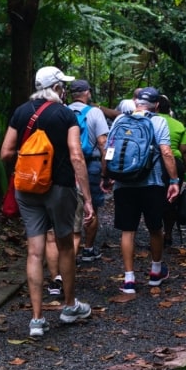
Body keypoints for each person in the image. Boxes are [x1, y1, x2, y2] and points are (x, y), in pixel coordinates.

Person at [0, 66, 94, 337]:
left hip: (27, 188)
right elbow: (76, 155)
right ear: (56, 88)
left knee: (34, 250)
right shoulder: (65, 114)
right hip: (59, 188)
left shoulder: (21, 112)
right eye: (62, 86)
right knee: (65, 245)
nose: (63, 91)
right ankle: (69, 307)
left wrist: (31, 158)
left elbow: (6, 153)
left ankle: (37, 320)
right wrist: (87, 199)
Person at [100, 87, 180, 294]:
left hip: (123, 184)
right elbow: (166, 152)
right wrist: (174, 180)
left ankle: (129, 279)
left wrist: (106, 176)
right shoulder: (158, 121)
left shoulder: (119, 121)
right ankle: (155, 272)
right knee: (155, 227)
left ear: (136, 102)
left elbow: (108, 150)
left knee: (128, 231)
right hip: (151, 184)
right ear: (157, 105)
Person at [67, 80, 110, 262]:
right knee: (91, 208)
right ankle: (88, 249)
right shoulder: (95, 113)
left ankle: (68, 250)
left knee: (69, 208)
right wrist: (106, 172)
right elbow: (103, 144)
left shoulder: (64, 110)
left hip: (68, 164)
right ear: (87, 93)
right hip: (91, 165)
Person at [157, 94, 186, 246]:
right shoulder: (178, 125)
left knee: (155, 197)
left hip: (155, 163)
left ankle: (156, 233)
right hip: (175, 164)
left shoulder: (150, 120)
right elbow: (185, 151)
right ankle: (168, 234)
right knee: (172, 199)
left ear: (156, 106)